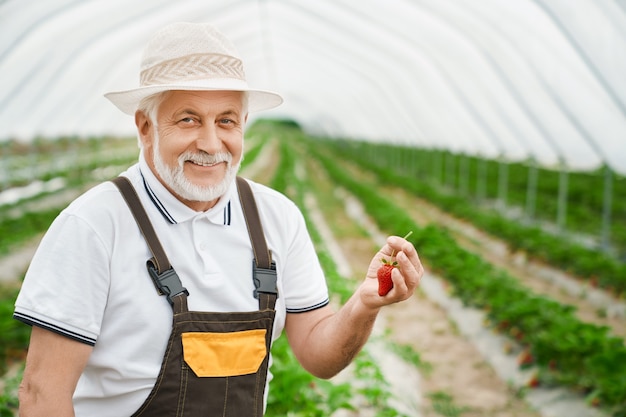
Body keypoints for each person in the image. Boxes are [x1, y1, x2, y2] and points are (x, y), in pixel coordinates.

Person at [13, 22, 423, 416]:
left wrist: (365, 304)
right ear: (145, 126)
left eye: (225, 120)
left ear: (244, 124)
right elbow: (42, 394)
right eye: (188, 119)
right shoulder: (94, 226)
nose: (211, 144)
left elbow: (319, 357)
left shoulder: (276, 217)